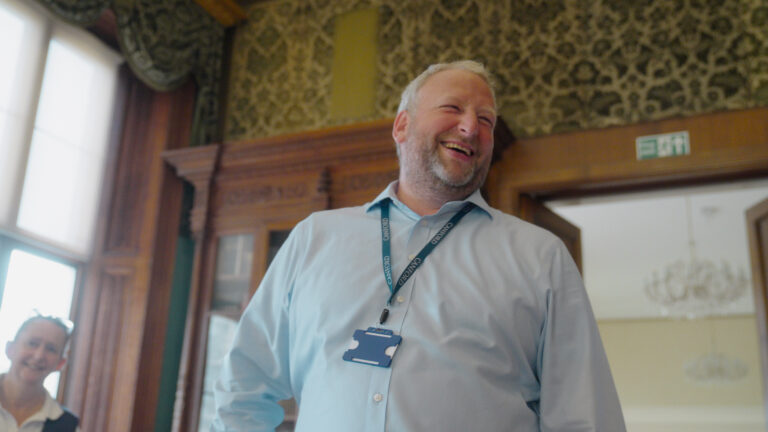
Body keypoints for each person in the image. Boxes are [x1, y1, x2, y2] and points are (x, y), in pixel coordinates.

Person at [212, 60, 625, 431]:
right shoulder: (314, 237)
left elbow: (584, 419)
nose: (470, 127)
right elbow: (244, 390)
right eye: (453, 108)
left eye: (486, 120)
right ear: (402, 125)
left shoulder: (541, 257)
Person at [0, 314, 80, 432]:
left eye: (51, 349)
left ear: (61, 363)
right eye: (32, 343)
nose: (39, 356)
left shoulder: (69, 427)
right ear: (10, 349)